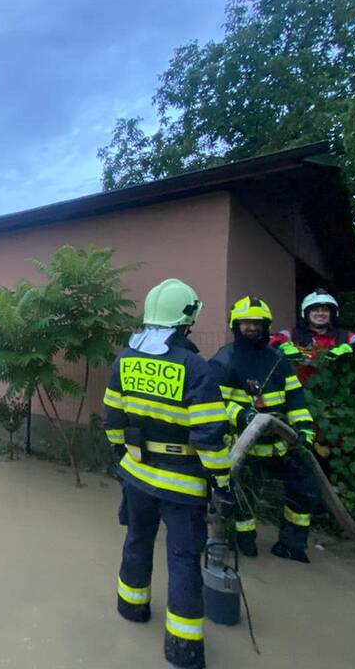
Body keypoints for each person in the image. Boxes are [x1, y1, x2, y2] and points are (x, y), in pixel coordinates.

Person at [103, 279, 233, 669]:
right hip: (182, 484)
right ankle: (182, 649)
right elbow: (210, 437)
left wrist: (123, 458)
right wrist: (222, 482)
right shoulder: (197, 368)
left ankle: (131, 608)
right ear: (187, 319)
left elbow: (113, 419)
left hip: (137, 475)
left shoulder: (124, 359)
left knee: (137, 541)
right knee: (182, 560)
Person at [210, 296, 321, 563]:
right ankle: (243, 540)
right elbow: (215, 403)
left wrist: (304, 431)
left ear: (266, 326)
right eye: (246, 322)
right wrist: (242, 416)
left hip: (279, 443)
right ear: (236, 325)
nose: (251, 327)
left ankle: (292, 544)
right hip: (241, 444)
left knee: (305, 485)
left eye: (257, 323)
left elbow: (295, 400)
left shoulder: (278, 361)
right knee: (239, 493)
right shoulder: (224, 361)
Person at [269, 288, 355, 385]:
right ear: (306, 313)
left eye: (325, 310)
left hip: (334, 393)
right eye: (315, 310)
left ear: (332, 314)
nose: (320, 313)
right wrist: (282, 346)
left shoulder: (343, 335)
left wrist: (351, 348)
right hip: (298, 392)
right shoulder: (293, 334)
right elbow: (268, 340)